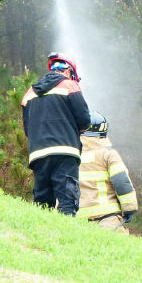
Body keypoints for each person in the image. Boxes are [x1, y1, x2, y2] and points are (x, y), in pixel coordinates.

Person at [21, 52, 90, 216]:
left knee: (42, 201)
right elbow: (84, 120)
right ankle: (65, 237)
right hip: (65, 152)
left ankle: (38, 236)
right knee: (68, 200)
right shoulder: (70, 86)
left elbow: (27, 129)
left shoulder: (29, 93)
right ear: (68, 72)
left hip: (38, 154)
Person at [77, 111, 138, 234]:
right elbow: (121, 181)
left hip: (77, 218)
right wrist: (129, 209)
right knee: (117, 250)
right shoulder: (108, 154)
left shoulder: (71, 155)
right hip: (107, 217)